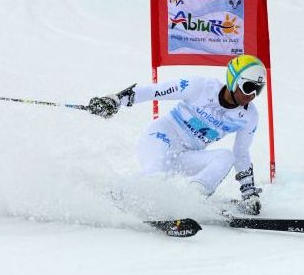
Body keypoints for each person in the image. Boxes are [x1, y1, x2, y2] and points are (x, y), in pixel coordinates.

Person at [86, 54, 266, 215]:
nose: (252, 95)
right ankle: (110, 195)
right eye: (248, 86)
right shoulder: (202, 87)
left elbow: (241, 153)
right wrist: (115, 100)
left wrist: (249, 192)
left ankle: (192, 198)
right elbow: (154, 91)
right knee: (156, 175)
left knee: (226, 156)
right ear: (233, 79)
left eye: (258, 89)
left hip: (185, 156)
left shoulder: (249, 117)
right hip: (160, 137)